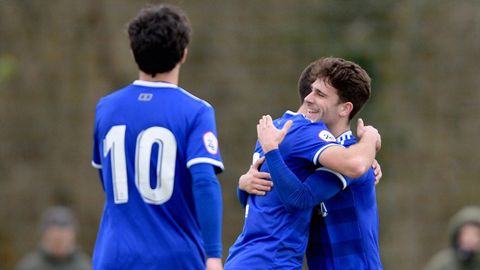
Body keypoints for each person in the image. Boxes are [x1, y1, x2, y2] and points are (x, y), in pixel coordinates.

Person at [91, 4, 223, 270]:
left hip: (112, 257)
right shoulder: (196, 111)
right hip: (175, 258)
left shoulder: (106, 107)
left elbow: (106, 178)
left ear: (133, 52)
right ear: (183, 54)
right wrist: (213, 254)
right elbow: (204, 181)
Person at [225, 57, 381, 269]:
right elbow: (271, 203)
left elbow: (300, 197)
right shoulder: (298, 147)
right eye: (311, 90)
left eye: (320, 94)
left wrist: (370, 139)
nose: (309, 98)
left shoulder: (352, 157)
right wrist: (244, 184)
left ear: (344, 109)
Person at [16, 206, 91, 270]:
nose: (59, 242)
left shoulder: (85, 266)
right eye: (55, 239)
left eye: (63, 238)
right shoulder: (30, 267)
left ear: (73, 237)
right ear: (44, 236)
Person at [424, 206, 480, 270]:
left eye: (476, 234)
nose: (471, 238)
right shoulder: (443, 263)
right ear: (458, 236)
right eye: (466, 233)